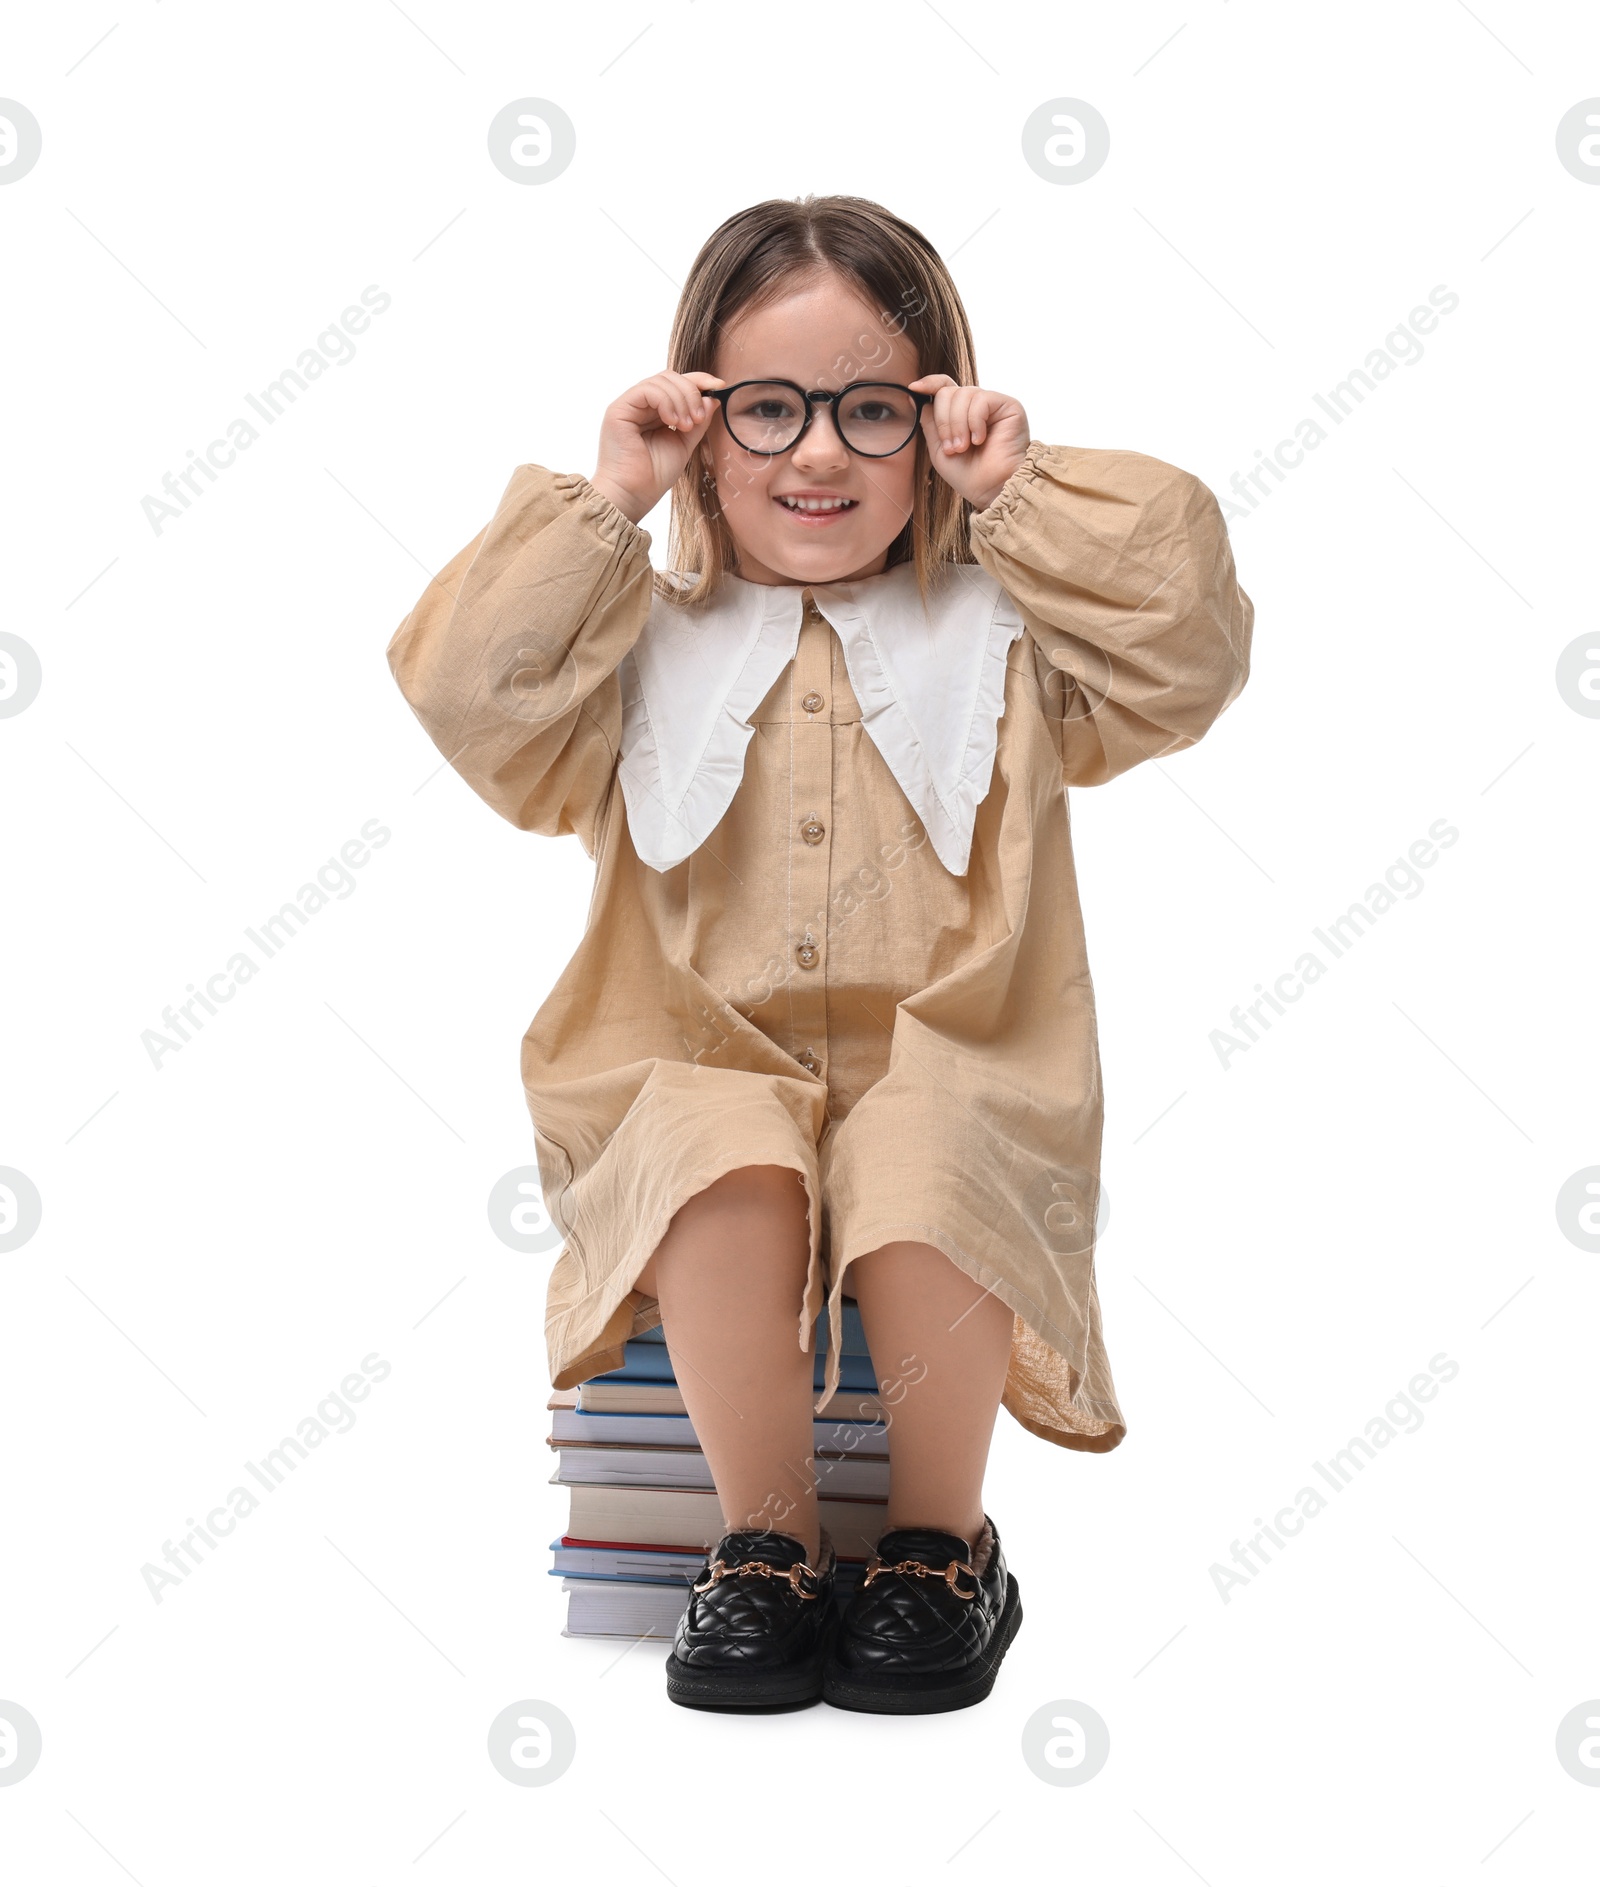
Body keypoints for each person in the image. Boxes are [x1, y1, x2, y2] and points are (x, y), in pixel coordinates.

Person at [386, 193, 1253, 1715]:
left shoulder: (1007, 639)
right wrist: (608, 495)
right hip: (682, 1048)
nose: (819, 455)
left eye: (875, 411)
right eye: (766, 410)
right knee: (721, 1158)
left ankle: (937, 1544)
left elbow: (1190, 644)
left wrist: (1024, 491)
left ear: (937, 423)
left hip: (959, 1049)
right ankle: (766, 1547)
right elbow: (470, 698)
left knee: (928, 1155)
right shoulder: (634, 639)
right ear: (701, 428)